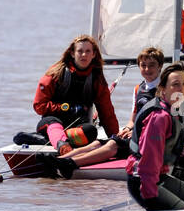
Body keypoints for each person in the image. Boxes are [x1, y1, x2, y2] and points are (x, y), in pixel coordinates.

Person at [30, 35, 130, 179]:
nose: (84, 55)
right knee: (54, 122)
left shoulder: (96, 78)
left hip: (77, 128)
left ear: (94, 54)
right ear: (72, 53)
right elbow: (39, 106)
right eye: (80, 51)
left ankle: (45, 141)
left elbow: (106, 112)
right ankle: (63, 150)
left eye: (88, 51)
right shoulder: (55, 73)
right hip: (50, 123)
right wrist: (65, 108)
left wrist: (114, 139)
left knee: (91, 131)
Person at [126, 62, 184, 211]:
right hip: (143, 180)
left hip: (158, 176)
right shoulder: (159, 117)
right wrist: (151, 196)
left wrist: (183, 161)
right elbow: (148, 162)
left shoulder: (174, 110)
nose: (182, 89)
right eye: (175, 84)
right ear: (163, 89)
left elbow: (167, 148)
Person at [131, 46, 165, 123]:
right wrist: (127, 129)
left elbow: (176, 115)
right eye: (143, 65)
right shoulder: (137, 89)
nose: (147, 69)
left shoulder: (168, 88)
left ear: (160, 66)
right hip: (141, 131)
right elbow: (132, 121)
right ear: (139, 67)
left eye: (151, 65)